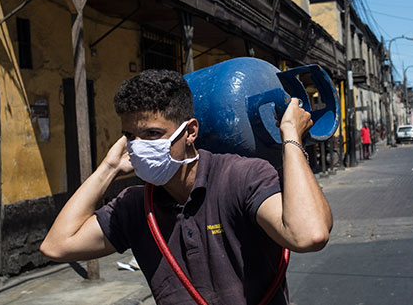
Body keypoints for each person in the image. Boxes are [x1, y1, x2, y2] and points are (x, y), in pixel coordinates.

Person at [40, 69, 332, 304]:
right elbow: (56, 246)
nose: (139, 147)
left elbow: (309, 234)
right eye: (130, 136)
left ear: (190, 131)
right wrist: (109, 167)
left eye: (152, 133)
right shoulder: (136, 205)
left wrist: (290, 135)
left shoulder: (240, 176)